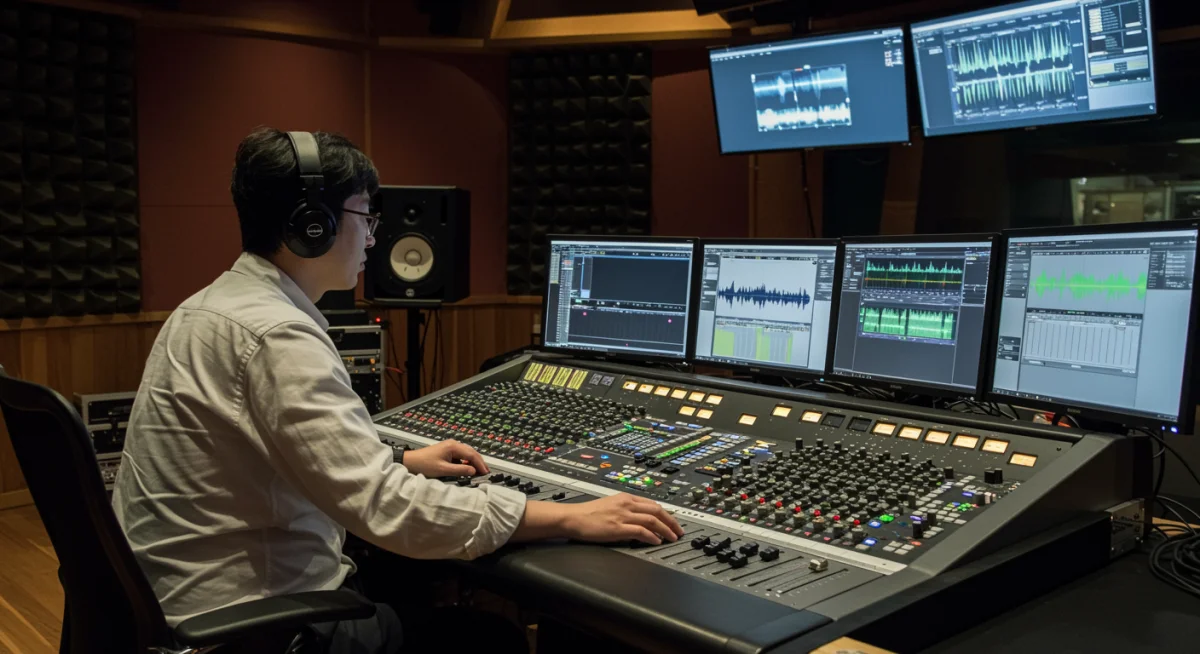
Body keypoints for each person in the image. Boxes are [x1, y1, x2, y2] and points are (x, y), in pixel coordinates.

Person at [112, 127, 684, 653]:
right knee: (488, 641)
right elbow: (391, 511)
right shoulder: (276, 334)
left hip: (179, 607)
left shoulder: (210, 306)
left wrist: (401, 457)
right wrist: (567, 517)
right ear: (314, 227)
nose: (373, 236)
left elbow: (260, 451)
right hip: (256, 628)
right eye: (365, 214)